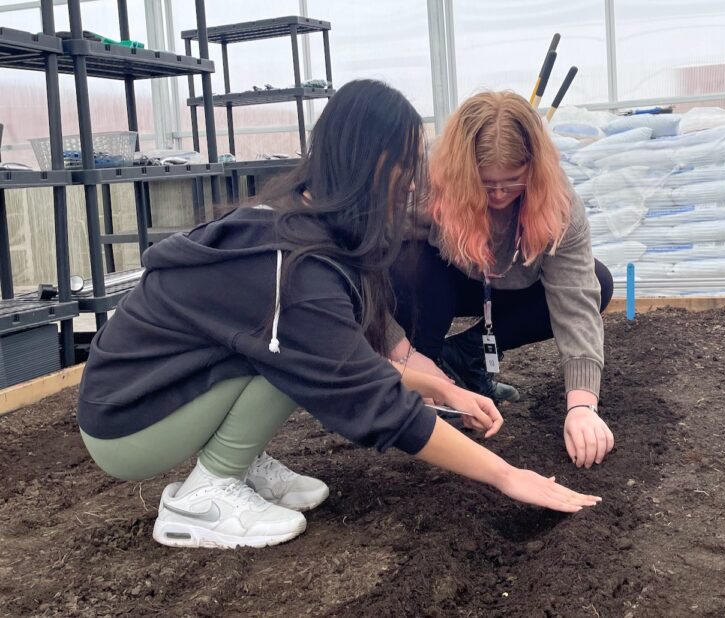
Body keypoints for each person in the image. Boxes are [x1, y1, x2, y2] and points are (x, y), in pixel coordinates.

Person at [77, 80, 601, 551]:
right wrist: (506, 475)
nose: (416, 178)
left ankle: (236, 464)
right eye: (409, 162)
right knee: (286, 354)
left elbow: (341, 354)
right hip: (127, 424)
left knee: (284, 349)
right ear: (375, 165)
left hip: (145, 389)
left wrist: (443, 389)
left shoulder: (301, 222)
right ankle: (203, 497)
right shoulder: (297, 270)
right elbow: (367, 394)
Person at [389, 90, 615, 470]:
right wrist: (403, 354)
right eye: (485, 183)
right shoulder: (428, 187)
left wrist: (582, 405)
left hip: (509, 288)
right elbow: (363, 272)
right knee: (409, 261)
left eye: (511, 182)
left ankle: (466, 357)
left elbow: (575, 302)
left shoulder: (559, 204)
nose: (497, 194)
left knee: (597, 280)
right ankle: (421, 379)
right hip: (445, 281)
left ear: (533, 167)